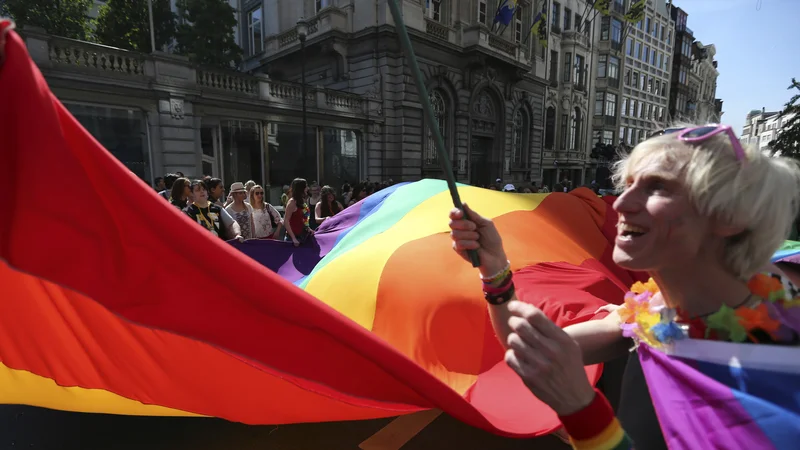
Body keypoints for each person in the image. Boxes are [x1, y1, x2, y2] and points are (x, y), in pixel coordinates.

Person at [448, 124, 800, 448]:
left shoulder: (782, 371)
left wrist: (582, 410)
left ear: (729, 217)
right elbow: (526, 346)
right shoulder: (651, 313)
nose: (620, 204)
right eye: (627, 185)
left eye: (657, 187)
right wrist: (495, 268)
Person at [284, 178, 313, 247]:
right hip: (293, 238)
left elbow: (303, 219)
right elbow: (286, 221)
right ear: (301, 188)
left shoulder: (303, 201)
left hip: (303, 236)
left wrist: (308, 228)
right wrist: (293, 238)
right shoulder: (292, 202)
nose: (307, 188)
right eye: (306, 186)